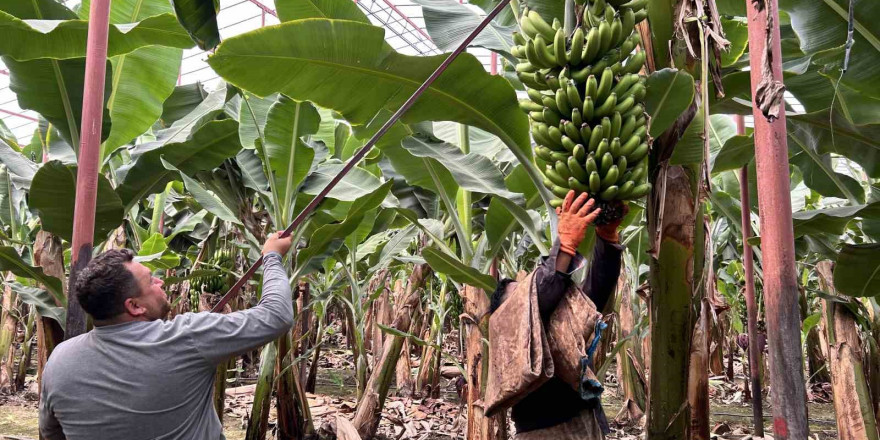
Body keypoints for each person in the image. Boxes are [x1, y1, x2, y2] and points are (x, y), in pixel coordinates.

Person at [39, 232, 295, 440]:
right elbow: (276, 315)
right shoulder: (186, 337)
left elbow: (51, 433)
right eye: (151, 281)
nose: (161, 282)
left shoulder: (59, 358)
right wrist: (271, 256)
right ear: (135, 306)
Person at [490, 191, 624, 439]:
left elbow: (594, 293)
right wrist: (564, 245)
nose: (527, 296)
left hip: (585, 421)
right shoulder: (502, 324)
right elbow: (541, 294)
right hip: (543, 431)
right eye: (518, 294)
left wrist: (607, 239)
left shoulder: (561, 325)